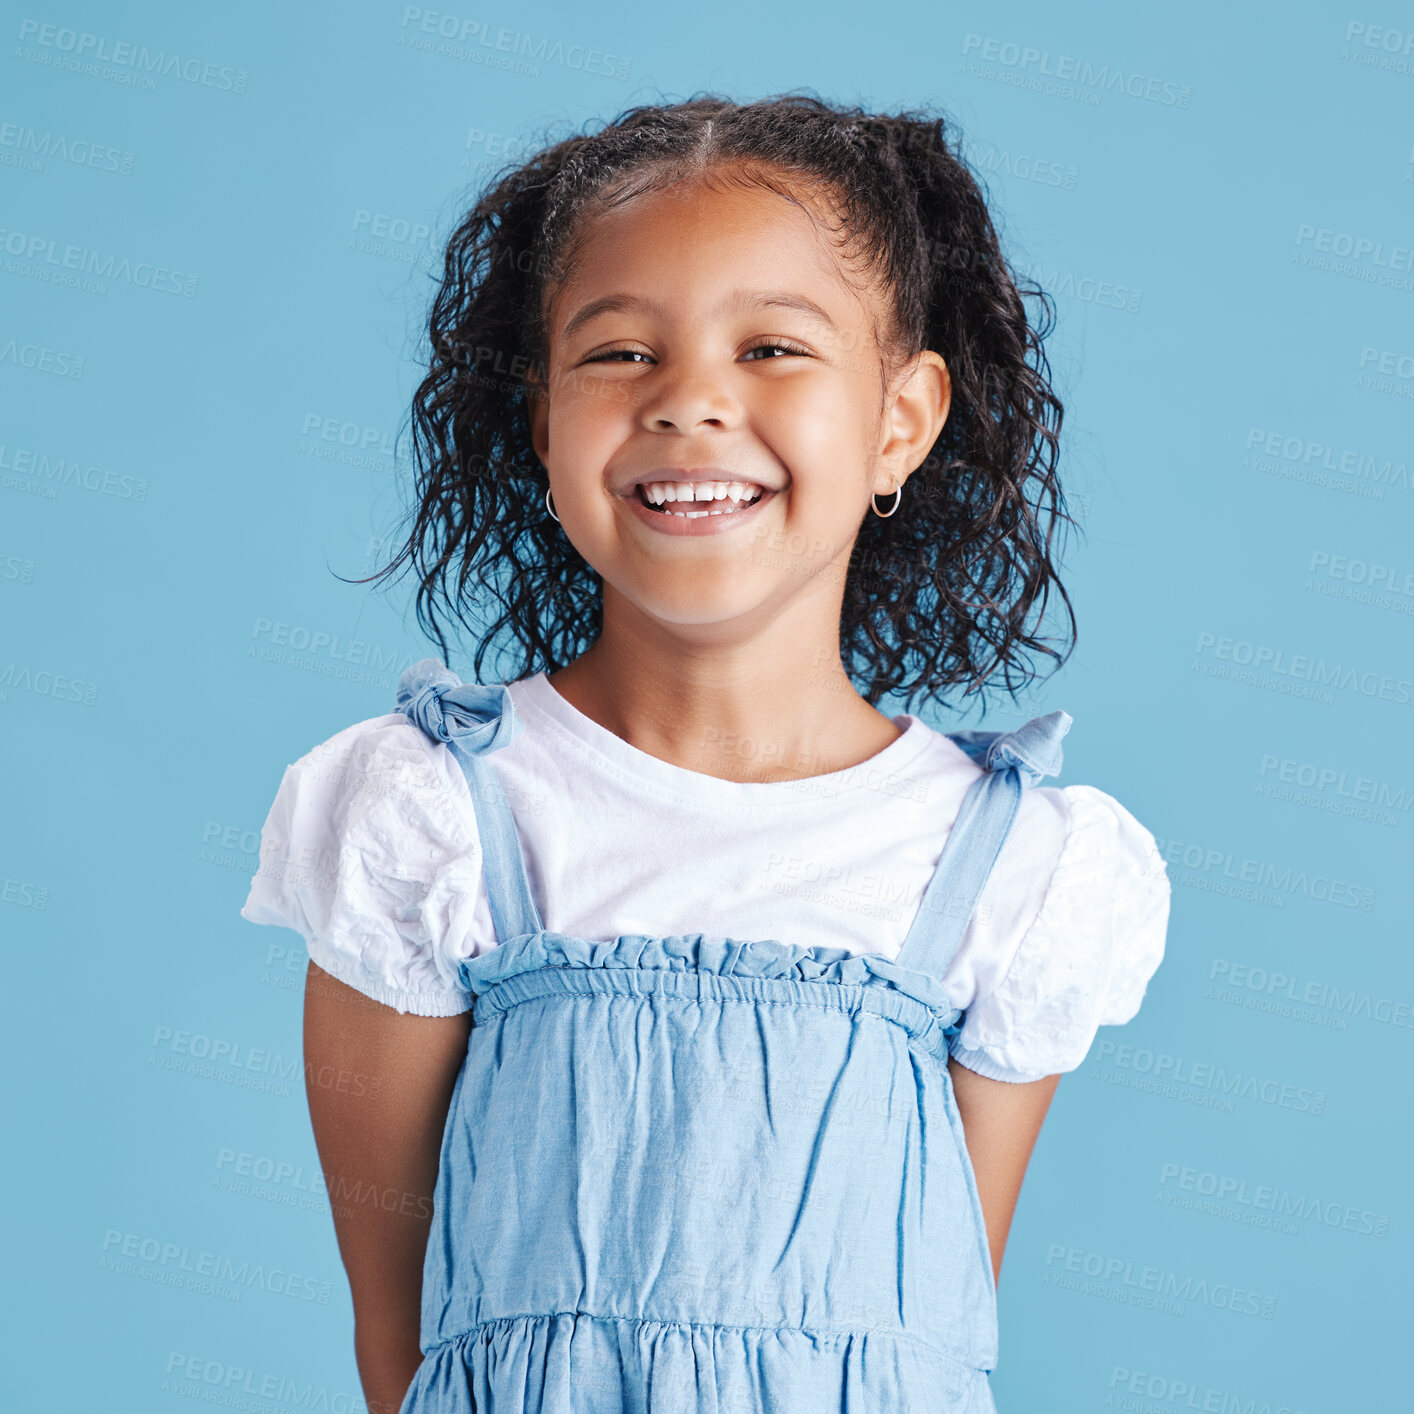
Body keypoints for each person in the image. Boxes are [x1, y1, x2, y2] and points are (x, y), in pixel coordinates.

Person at [242, 93, 1171, 1413]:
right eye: (618, 353)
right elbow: (400, 1349)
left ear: (900, 420)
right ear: (540, 417)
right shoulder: (430, 818)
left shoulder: (1013, 868)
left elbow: (927, 1337)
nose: (689, 403)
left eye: (774, 348)